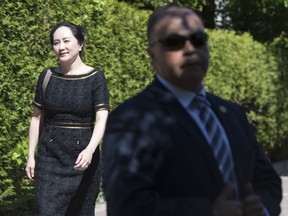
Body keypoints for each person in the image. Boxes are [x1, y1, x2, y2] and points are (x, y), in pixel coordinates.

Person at [102, 4, 282, 216]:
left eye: (198, 40)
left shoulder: (232, 113)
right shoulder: (130, 119)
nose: (190, 49)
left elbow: (268, 181)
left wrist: (261, 207)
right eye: (174, 42)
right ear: (152, 54)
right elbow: (127, 206)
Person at [25, 21, 109, 215]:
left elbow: (102, 117)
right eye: (56, 42)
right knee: (47, 210)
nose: (60, 47)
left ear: (80, 44)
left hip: (83, 159)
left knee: (80, 211)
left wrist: (90, 150)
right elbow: (36, 118)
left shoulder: (95, 77)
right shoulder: (46, 77)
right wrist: (31, 156)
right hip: (49, 157)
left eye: (66, 41)